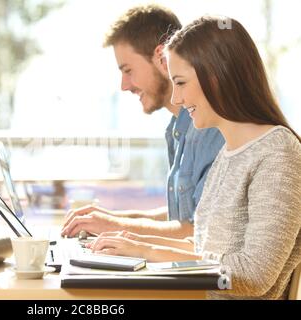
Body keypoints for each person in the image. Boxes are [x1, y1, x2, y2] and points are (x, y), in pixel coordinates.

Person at [89, 16, 301, 300]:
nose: (176, 99)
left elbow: (254, 274)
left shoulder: (278, 152)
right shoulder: (228, 152)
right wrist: (135, 243)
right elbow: (207, 248)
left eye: (181, 82)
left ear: (215, 77)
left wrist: (149, 252)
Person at [61, 5, 224, 239]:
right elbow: (182, 217)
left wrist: (113, 226)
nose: (124, 85)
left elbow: (201, 232)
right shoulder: (178, 129)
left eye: (128, 70)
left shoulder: (209, 129)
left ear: (161, 57)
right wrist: (110, 219)